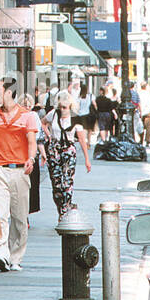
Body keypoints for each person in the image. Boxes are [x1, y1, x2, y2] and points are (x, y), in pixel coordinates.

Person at [0, 76, 40, 273]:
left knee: (20, 218)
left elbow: (32, 142)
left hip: (20, 171)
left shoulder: (27, 116)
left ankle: (15, 258)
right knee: (0, 215)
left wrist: (30, 159)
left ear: (8, 92)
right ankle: (1, 254)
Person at [43, 89, 92, 219]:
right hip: (54, 151)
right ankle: (63, 208)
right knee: (56, 185)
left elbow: (82, 139)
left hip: (68, 151)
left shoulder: (76, 118)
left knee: (67, 183)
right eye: (60, 107)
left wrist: (87, 159)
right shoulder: (53, 114)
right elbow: (43, 123)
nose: (62, 110)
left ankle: (64, 212)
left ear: (70, 106)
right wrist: (48, 135)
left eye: (64, 107)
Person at [139, 82, 150, 146]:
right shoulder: (149, 94)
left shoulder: (139, 93)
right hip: (148, 112)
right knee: (148, 127)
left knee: (140, 127)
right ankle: (147, 141)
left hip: (141, 112)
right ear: (146, 86)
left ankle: (141, 140)